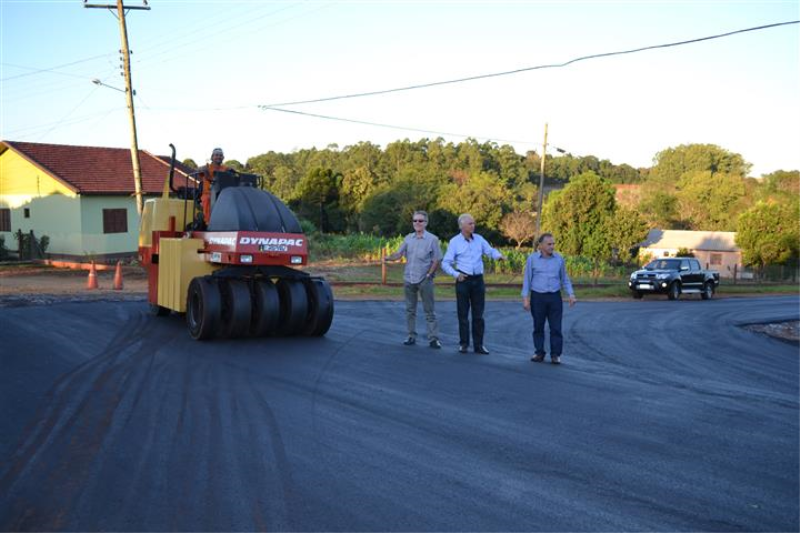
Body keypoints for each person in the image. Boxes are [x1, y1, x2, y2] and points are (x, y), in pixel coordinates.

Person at [442, 213, 505, 354]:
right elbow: (445, 263)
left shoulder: (479, 239)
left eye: (473, 223)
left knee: (478, 315)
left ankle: (479, 345)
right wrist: (456, 274)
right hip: (463, 280)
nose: (473, 226)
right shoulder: (454, 242)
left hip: (478, 280)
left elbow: (490, 251)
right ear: (462, 226)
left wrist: (498, 256)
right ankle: (464, 343)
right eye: (470, 223)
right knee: (463, 314)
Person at [383, 211, 443, 349]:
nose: (417, 223)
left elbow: (436, 259)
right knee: (410, 310)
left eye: (420, 221)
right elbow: (399, 254)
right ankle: (411, 336)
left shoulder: (432, 239)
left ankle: (433, 339)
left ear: (426, 223)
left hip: (424, 279)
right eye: (415, 221)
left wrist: (429, 274)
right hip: (409, 278)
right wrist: (388, 258)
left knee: (429, 310)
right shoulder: (408, 238)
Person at [521, 232, 577, 365]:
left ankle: (555, 355)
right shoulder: (532, 259)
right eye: (549, 244)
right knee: (538, 326)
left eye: (553, 244)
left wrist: (571, 294)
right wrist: (525, 298)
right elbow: (527, 280)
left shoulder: (559, 259)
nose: (552, 246)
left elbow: (564, 278)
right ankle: (539, 352)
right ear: (540, 245)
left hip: (554, 297)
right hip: (538, 297)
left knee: (556, 327)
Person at [197, 147, 229, 226]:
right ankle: (208, 223)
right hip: (208, 193)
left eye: (220, 155)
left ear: (223, 158)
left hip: (223, 193)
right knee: (208, 199)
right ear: (212, 157)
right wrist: (202, 170)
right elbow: (198, 170)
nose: (219, 157)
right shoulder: (206, 167)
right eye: (216, 155)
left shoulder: (226, 169)